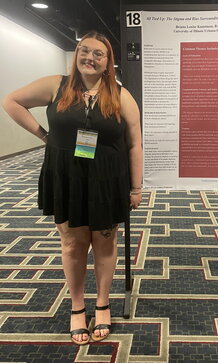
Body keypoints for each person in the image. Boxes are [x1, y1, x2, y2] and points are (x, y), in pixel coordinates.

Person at [2, 31, 143, 345]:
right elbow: (11, 101)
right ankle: (77, 307)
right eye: (84, 51)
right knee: (72, 244)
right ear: (76, 54)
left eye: (98, 54)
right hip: (66, 177)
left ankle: (103, 304)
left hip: (107, 178)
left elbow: (135, 144)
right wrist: (44, 136)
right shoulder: (56, 85)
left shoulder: (121, 94)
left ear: (108, 62)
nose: (90, 58)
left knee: (104, 244)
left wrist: (136, 188)